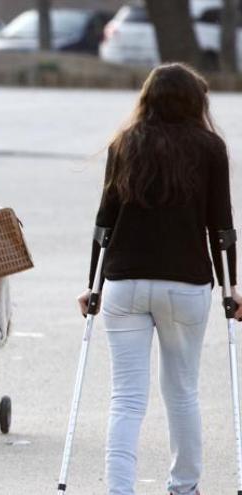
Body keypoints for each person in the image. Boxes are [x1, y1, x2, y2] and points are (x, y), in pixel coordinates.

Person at [77, 63, 242, 495]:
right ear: (197, 102)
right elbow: (221, 227)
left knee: (126, 399)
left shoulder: (124, 145)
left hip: (123, 283)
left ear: (147, 100)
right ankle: (184, 487)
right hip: (186, 284)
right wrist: (232, 287)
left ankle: (119, 489)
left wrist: (92, 284)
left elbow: (103, 224)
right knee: (182, 392)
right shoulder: (210, 148)